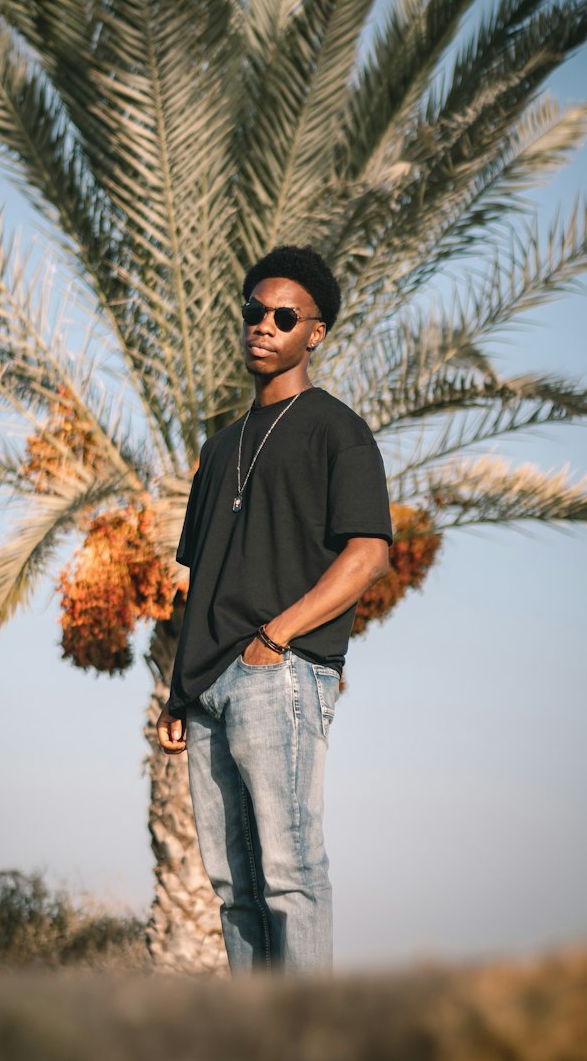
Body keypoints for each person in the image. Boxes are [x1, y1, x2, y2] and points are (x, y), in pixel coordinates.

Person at [155, 245, 393, 974]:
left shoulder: (336, 430)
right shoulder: (217, 448)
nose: (262, 326)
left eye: (282, 316)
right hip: (208, 690)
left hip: (280, 673)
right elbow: (202, 580)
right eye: (253, 312)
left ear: (313, 333)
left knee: (289, 872)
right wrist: (179, 691)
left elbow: (368, 553)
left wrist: (278, 636)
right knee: (235, 888)